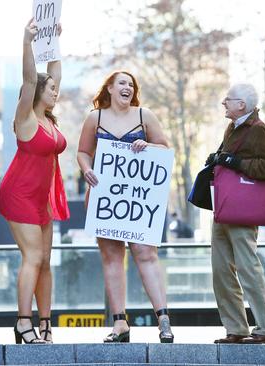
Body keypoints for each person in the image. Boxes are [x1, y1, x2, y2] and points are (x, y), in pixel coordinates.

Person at [76, 70, 174, 343]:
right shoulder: (94, 118)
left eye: (131, 84)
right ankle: (120, 323)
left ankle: (163, 320)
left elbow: (165, 149)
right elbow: (83, 152)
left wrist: (150, 146)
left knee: (146, 254)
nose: (127, 87)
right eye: (122, 83)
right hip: (104, 198)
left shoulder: (145, 116)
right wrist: (86, 169)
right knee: (112, 258)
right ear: (109, 88)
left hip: (138, 201)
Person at [0, 20, 69, 344]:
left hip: (43, 199)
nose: (56, 91)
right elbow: (30, 78)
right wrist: (27, 41)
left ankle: (46, 325)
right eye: (51, 88)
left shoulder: (49, 121)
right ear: (38, 92)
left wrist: (54, 41)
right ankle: (23, 324)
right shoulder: (25, 116)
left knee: (46, 262)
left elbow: (54, 70)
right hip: (19, 194)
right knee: (33, 258)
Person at [204, 83, 265, 344]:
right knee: (221, 270)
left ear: (242, 105)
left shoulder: (258, 130)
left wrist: (235, 163)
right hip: (224, 208)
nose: (224, 102)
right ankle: (236, 328)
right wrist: (219, 158)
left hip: (242, 212)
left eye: (229, 99)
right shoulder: (234, 126)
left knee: (248, 269)